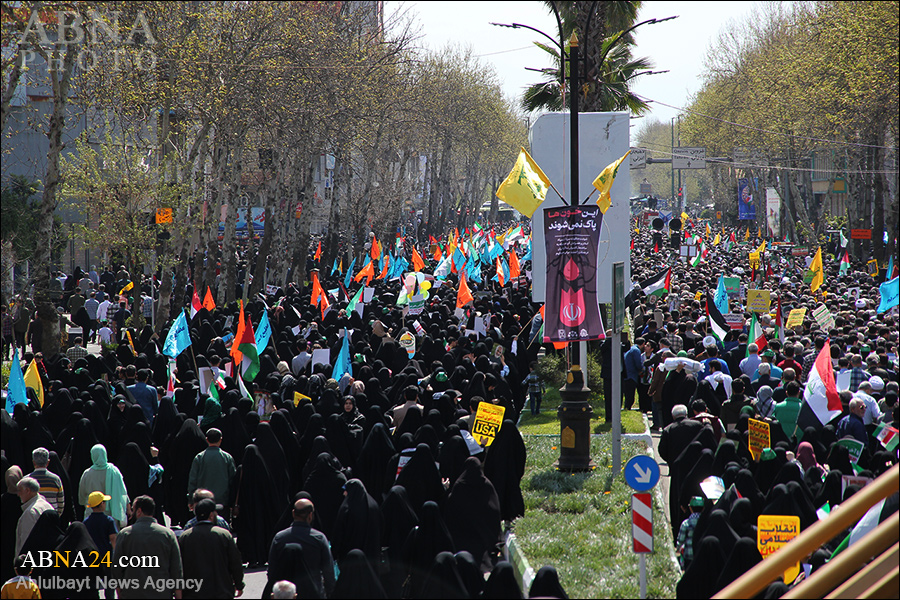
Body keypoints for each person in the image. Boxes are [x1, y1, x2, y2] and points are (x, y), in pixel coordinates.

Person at [111, 495, 183, 599]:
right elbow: (176, 568)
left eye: (133, 510)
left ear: (139, 511)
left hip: (132, 593)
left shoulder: (125, 534)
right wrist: (178, 595)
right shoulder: (168, 534)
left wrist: (119, 592)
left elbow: (117, 568)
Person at [267, 498, 335, 599]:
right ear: (310, 515)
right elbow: (328, 570)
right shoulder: (319, 538)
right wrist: (330, 592)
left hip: (287, 593)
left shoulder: (280, 538)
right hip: (313, 591)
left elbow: (272, 568)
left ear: (293, 513)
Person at [178, 499, 244, 598]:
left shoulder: (185, 537)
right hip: (221, 591)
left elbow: (178, 566)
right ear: (211, 515)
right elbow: (235, 561)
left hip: (193, 593)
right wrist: (239, 584)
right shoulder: (223, 535)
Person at [187, 428, 236, 517]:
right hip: (222, 501)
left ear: (207, 439)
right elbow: (232, 479)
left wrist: (191, 499)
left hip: (202, 501)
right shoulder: (227, 457)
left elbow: (192, 480)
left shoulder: (199, 457)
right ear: (220, 440)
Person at [78, 444, 129, 527]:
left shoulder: (87, 473)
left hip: (92, 511)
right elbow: (122, 491)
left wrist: (85, 503)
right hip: (111, 513)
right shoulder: (114, 471)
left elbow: (82, 494)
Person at [14, 477, 54, 556]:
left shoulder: (31, 512)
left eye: (19, 490)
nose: (18, 494)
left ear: (27, 491)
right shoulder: (47, 505)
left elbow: (26, 541)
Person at [27, 447, 64, 516]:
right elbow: (61, 502)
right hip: (52, 517)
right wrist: (56, 515)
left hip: (33, 517)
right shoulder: (56, 479)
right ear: (48, 462)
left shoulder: (27, 480)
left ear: (33, 462)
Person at [676, 496, 705, 571]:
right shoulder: (706, 521)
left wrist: (678, 549)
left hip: (688, 556)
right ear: (703, 509)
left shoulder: (686, 523)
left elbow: (680, 540)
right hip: (701, 555)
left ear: (690, 508)